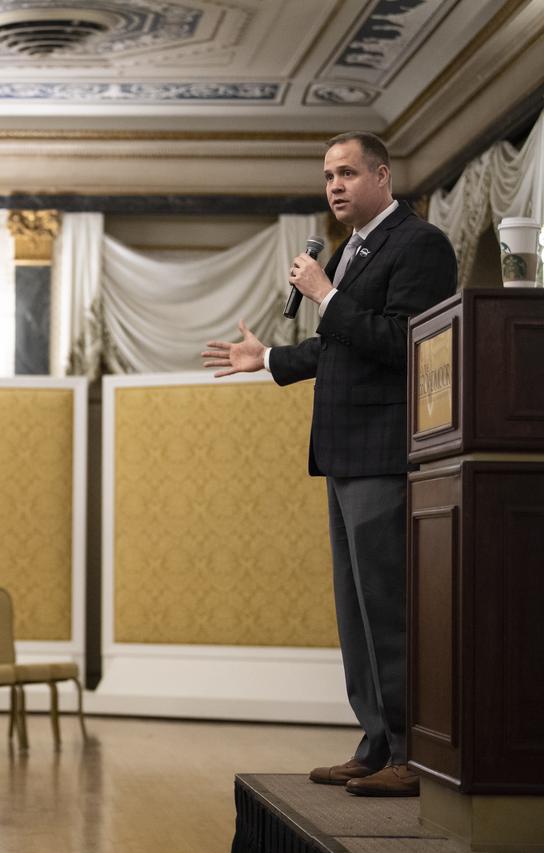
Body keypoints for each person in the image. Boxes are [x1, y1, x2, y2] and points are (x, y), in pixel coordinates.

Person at [202, 131, 457, 797]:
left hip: (385, 452)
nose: (335, 185)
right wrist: (267, 360)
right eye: (327, 176)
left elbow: (407, 342)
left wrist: (324, 293)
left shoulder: (419, 245)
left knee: (389, 608)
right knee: (355, 612)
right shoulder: (350, 252)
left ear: (382, 174)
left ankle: (412, 752)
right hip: (343, 452)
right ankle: (375, 740)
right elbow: (338, 347)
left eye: (347, 172)